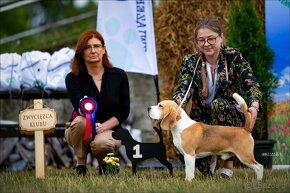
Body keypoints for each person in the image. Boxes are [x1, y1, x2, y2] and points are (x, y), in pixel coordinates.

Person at [172, 17, 262, 178]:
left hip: (226, 114)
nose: (206, 44)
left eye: (211, 38)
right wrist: (173, 107)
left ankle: (227, 164)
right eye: (201, 40)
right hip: (201, 119)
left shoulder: (233, 56)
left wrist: (254, 106)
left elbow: (252, 83)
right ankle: (209, 162)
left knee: (218, 105)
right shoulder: (190, 62)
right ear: (197, 42)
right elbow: (182, 89)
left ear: (221, 37)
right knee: (182, 149)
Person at [65, 29, 130, 176]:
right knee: (81, 122)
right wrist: (91, 124)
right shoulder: (72, 78)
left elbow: (123, 111)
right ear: (81, 52)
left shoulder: (119, 75)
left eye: (97, 46)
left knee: (101, 144)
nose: (93, 51)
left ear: (104, 49)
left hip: (110, 130)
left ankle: (105, 165)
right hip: (81, 131)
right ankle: (80, 164)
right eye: (87, 47)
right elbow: (78, 106)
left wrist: (102, 128)